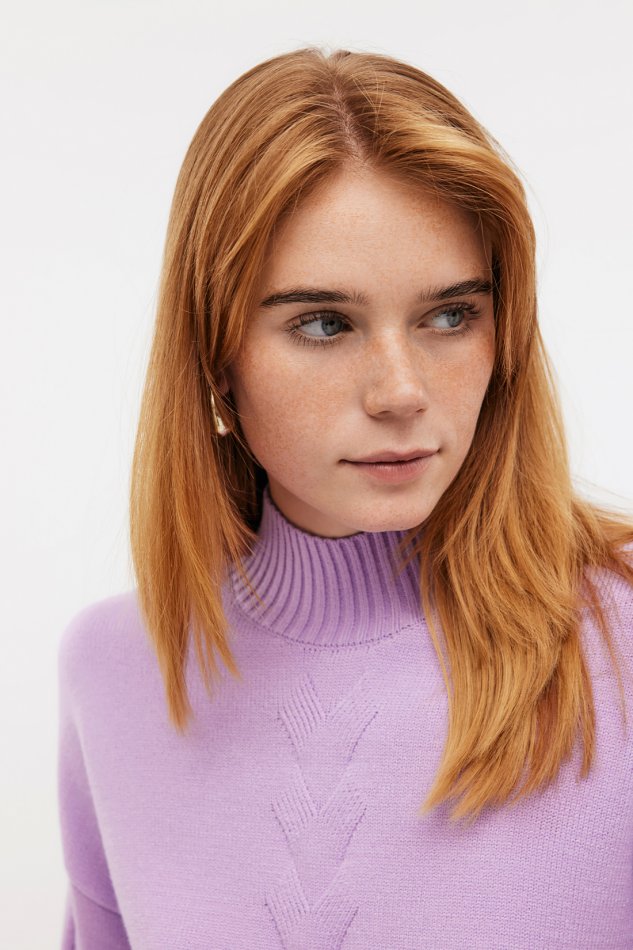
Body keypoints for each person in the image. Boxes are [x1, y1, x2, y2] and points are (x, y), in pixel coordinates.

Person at [57, 46, 633, 950]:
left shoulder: (619, 635)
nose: (400, 391)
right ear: (214, 357)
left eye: (451, 315)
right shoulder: (116, 669)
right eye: (324, 324)